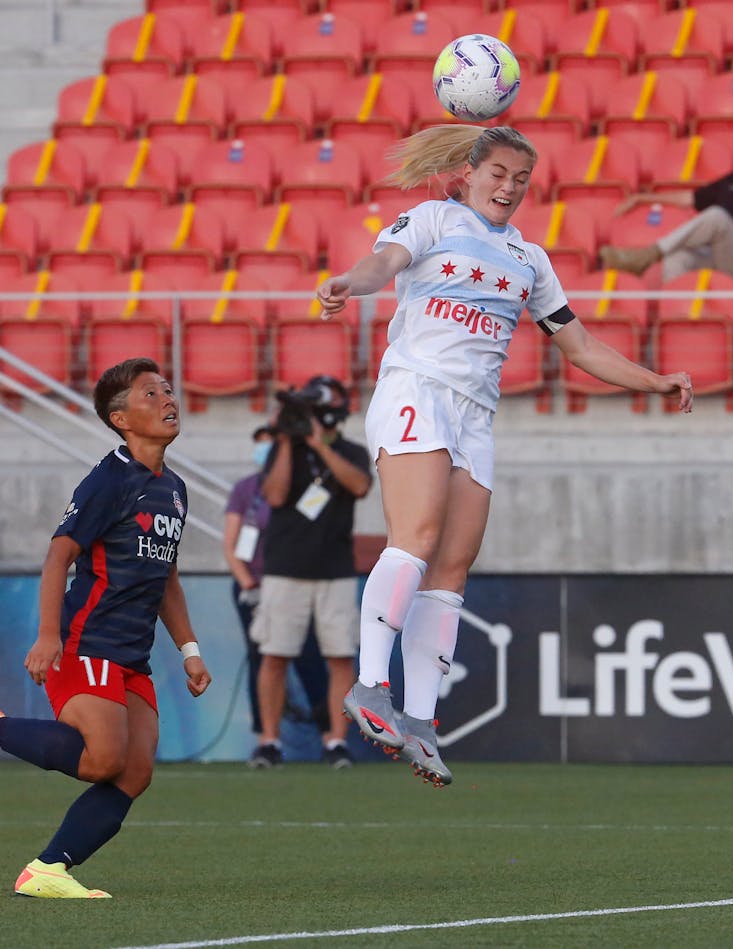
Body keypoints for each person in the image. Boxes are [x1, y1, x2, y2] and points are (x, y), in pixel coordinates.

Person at [316, 125, 694, 787]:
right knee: (419, 534)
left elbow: (579, 347)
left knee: (453, 566)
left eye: (520, 178)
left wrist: (654, 378)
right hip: (418, 388)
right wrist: (350, 281)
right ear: (467, 172)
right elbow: (384, 264)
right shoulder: (433, 218)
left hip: (475, 416)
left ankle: (422, 722)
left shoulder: (529, 259)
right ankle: (370, 685)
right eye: (498, 173)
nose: (510, 187)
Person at [0, 357, 211, 899]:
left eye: (168, 390)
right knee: (102, 759)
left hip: (132, 654)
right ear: (121, 419)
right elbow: (59, 556)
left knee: (134, 772)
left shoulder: (172, 487)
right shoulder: (109, 479)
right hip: (87, 642)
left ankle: (48, 870)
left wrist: (189, 650)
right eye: (151, 394)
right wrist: (48, 635)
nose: (168, 399)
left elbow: (165, 574)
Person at [249, 374, 373, 770]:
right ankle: (269, 741)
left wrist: (320, 444)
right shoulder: (283, 450)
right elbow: (275, 495)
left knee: (339, 656)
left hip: (335, 569)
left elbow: (358, 487)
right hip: (284, 568)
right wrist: (287, 439)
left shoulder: (351, 451)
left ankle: (336, 741)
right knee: (274, 655)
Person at [223, 424, 332, 760]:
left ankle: (331, 737)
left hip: (295, 583)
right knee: (262, 662)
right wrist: (248, 584)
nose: (265, 452)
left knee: (309, 659)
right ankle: (267, 740)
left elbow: (315, 530)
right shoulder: (244, 489)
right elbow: (232, 544)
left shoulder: (308, 486)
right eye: (261, 445)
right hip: (255, 587)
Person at [598, 121, 733, 285]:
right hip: (719, 258)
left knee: (717, 216)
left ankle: (649, 254)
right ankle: (677, 323)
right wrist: (642, 198)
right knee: (677, 259)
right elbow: (689, 199)